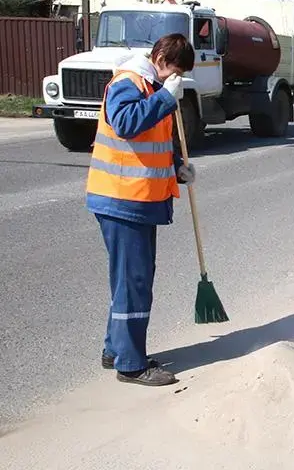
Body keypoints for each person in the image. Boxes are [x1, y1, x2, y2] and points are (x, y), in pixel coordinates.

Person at [86, 33, 196, 386]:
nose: (174, 79)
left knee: (129, 279)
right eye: (174, 71)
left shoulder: (150, 86)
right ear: (161, 58)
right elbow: (127, 124)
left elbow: (154, 140)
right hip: (122, 199)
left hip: (137, 198)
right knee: (134, 281)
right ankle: (130, 365)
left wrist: (177, 165)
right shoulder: (129, 82)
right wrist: (166, 97)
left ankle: (115, 349)